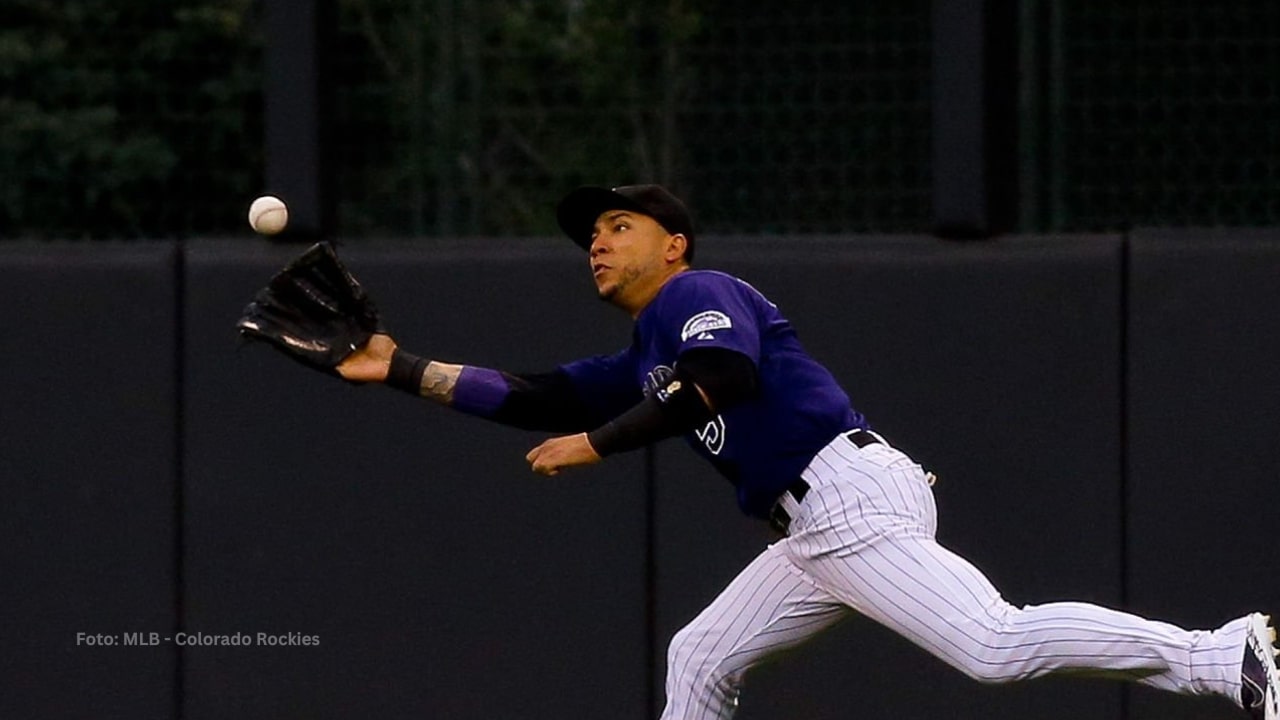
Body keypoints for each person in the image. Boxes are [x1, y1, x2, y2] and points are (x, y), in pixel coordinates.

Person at [334, 184, 1280, 720]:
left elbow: (725, 378)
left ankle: (1219, 655)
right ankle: (1215, 656)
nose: (597, 242)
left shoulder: (696, 294)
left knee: (992, 646)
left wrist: (598, 442)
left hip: (844, 495)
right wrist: (401, 365)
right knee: (700, 656)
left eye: (620, 226)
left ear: (675, 245)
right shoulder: (643, 351)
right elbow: (534, 394)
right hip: (813, 524)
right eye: (591, 233)